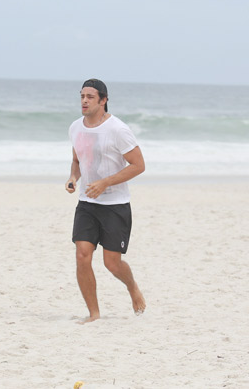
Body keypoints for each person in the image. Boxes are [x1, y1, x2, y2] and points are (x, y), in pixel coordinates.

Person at [65, 78, 146, 324]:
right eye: (82, 96)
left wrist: (105, 183)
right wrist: (72, 178)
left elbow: (139, 165)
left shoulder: (118, 130)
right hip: (87, 204)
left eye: (90, 97)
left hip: (115, 205)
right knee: (82, 255)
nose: (84, 101)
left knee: (112, 263)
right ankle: (94, 313)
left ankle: (132, 287)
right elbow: (78, 160)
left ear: (103, 100)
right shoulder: (75, 128)